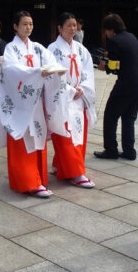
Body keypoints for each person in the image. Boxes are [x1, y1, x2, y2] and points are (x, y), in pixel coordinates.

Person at [0, 10, 67, 198]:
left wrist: (56, 70)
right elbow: (11, 70)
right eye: (24, 24)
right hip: (20, 104)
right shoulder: (11, 48)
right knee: (23, 141)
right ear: (15, 26)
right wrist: (36, 73)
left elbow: (51, 63)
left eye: (31, 24)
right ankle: (28, 182)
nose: (28, 27)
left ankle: (38, 179)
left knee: (37, 139)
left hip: (36, 104)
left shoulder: (38, 48)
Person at [94, 13, 138, 161]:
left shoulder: (114, 41)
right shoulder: (131, 36)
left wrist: (103, 66)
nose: (106, 34)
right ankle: (129, 151)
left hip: (127, 85)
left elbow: (113, 65)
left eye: (106, 31)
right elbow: (126, 57)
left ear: (111, 29)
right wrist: (110, 56)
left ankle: (111, 150)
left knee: (110, 115)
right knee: (128, 117)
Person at [48, 12, 96, 188]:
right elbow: (51, 75)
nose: (72, 29)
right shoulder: (52, 50)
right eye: (68, 25)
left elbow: (88, 72)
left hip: (79, 98)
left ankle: (60, 165)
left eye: (74, 25)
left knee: (78, 136)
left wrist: (82, 88)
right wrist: (69, 90)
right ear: (59, 28)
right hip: (62, 99)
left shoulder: (81, 50)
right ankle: (75, 173)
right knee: (65, 137)